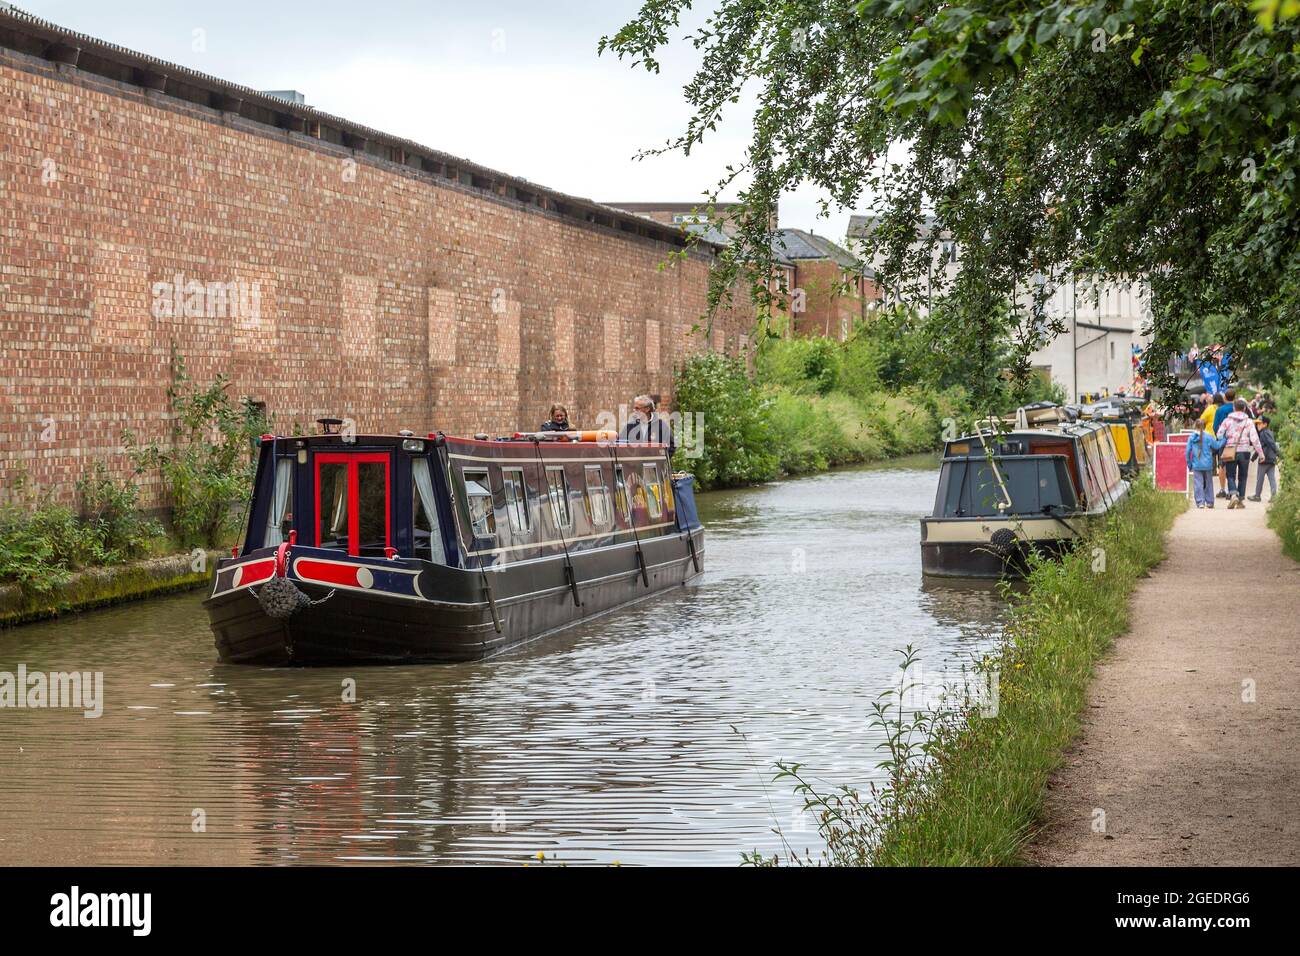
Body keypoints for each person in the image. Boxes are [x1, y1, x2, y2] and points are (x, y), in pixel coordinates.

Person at [1216, 398, 1265, 509]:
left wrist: (1228, 438)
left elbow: (1219, 435)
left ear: (1234, 408)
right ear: (1244, 409)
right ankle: (1241, 499)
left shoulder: (1227, 420)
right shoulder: (1249, 422)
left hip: (1230, 450)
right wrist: (1261, 454)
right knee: (1243, 476)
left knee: (1230, 475)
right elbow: (1255, 439)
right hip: (1245, 452)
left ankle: (1233, 494)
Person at [1185, 418, 1225, 509]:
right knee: (1208, 483)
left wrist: (1189, 464)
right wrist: (1224, 440)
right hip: (1208, 465)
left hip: (1197, 465)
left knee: (1198, 483)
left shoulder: (1191, 437)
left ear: (1195, 426)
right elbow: (1217, 446)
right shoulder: (1209, 436)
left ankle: (1200, 502)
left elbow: (1187, 452)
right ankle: (1210, 502)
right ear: (1205, 426)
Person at [1248, 415, 1280, 502]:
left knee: (1260, 478)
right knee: (1272, 478)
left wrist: (1279, 454)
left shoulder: (1263, 433)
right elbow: (1262, 446)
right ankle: (1274, 496)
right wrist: (1277, 454)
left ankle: (1257, 496)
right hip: (1271, 459)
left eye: (1259, 424)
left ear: (1265, 424)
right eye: (1257, 424)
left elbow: (1266, 445)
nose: (1257, 425)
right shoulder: (1270, 432)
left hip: (1264, 459)